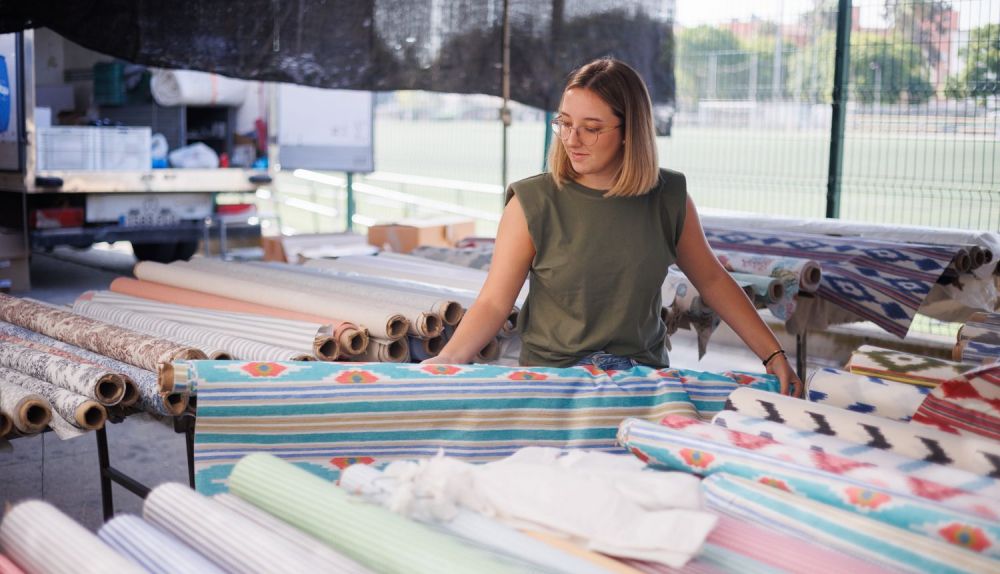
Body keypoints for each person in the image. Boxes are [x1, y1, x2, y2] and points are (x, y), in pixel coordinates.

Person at [424, 57, 802, 396]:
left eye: (591, 128)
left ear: (629, 131)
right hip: (554, 380)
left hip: (643, 379)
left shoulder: (669, 197)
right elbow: (493, 302)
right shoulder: (531, 203)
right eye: (565, 124)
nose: (573, 140)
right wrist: (447, 361)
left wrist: (773, 355)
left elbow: (714, 281)